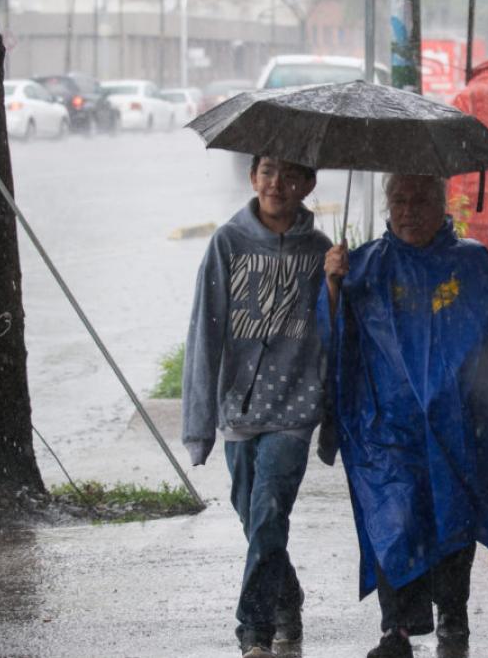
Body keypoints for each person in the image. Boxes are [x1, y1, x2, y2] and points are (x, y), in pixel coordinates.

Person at [319, 174, 488, 658]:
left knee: (453, 518)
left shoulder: (472, 264)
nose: (410, 210)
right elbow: (334, 340)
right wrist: (332, 285)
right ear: (387, 205)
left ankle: (452, 617)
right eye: (400, 200)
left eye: (421, 199)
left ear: (442, 204)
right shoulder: (365, 265)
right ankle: (396, 629)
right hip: (387, 430)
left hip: (458, 427)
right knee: (394, 517)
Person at [182, 156, 332, 658]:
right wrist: (199, 426)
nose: (277, 183)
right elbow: (205, 332)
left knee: (269, 513)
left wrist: (336, 284)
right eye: (267, 171)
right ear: (252, 177)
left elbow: (338, 334)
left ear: (308, 184)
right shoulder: (228, 243)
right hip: (238, 410)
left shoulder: (320, 252)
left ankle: (254, 629)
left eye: (291, 174)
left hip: (295, 404)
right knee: (254, 519)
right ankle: (287, 596)